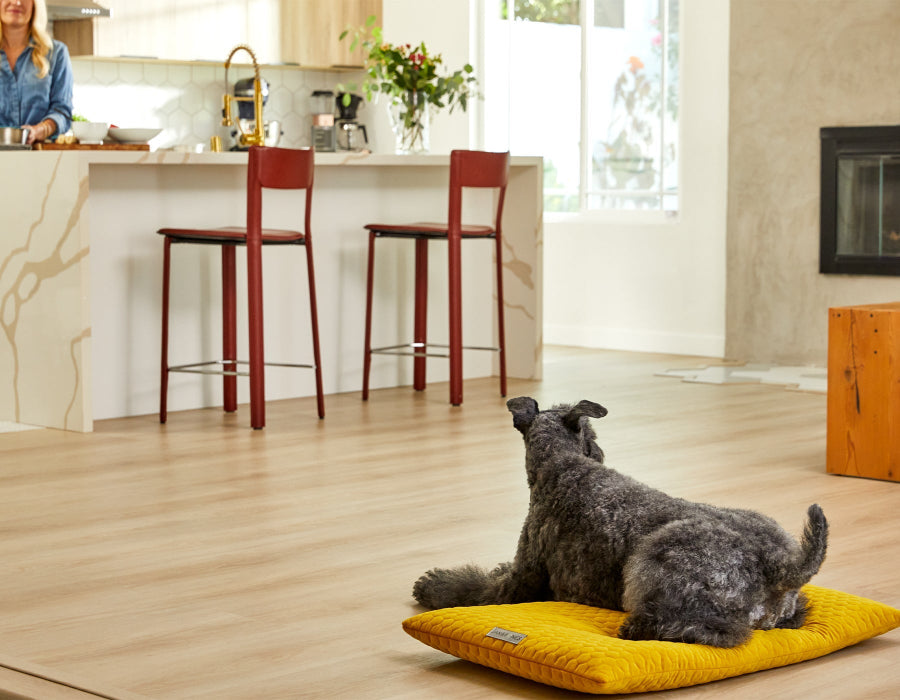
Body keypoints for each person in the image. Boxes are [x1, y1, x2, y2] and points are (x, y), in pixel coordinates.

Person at [0, 0, 73, 144]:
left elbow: (62, 112)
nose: (16, 2)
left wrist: (41, 129)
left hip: (39, 158)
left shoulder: (56, 53)